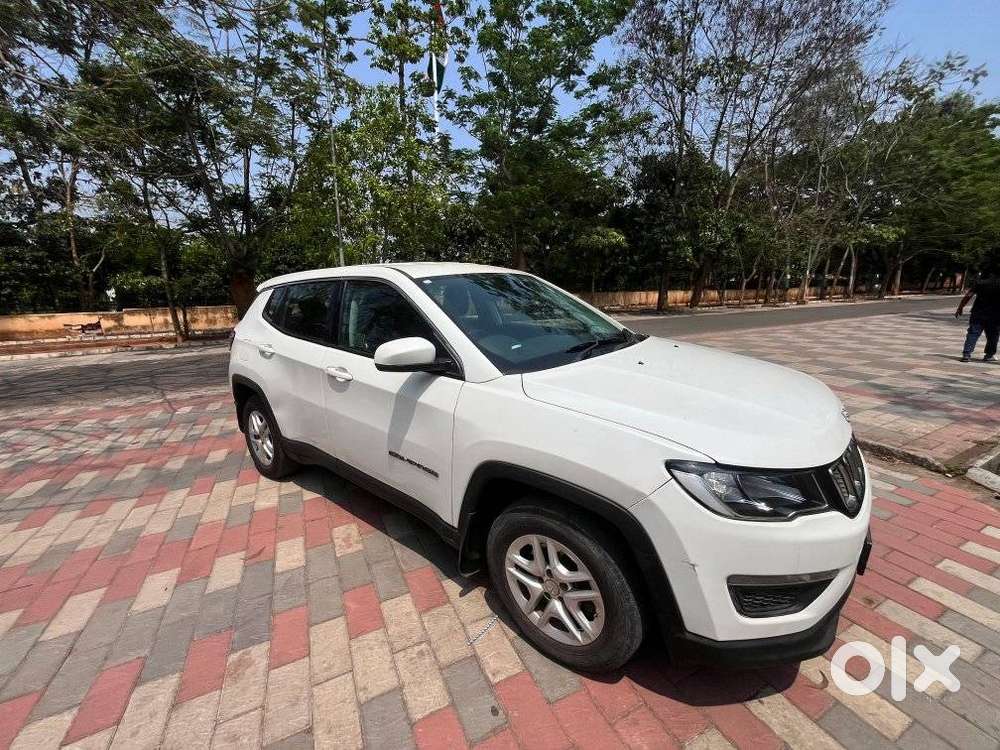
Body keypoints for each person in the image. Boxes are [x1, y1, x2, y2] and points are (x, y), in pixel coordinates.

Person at [955, 268, 1000, 362]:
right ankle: (989, 355)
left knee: (973, 333)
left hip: (978, 312)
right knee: (993, 335)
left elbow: (968, 295)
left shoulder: (980, 283)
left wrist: (960, 307)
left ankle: (966, 354)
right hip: (995, 314)